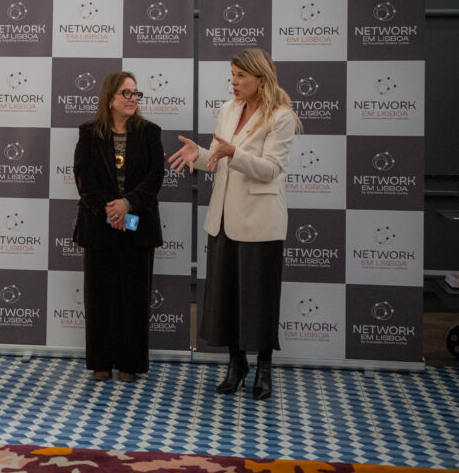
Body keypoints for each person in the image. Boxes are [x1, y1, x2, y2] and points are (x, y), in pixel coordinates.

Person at [168, 48, 301, 401]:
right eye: (232, 75)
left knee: (259, 298)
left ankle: (264, 368)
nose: (234, 82)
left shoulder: (281, 117)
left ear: (261, 78)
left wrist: (234, 154)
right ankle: (236, 364)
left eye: (240, 75)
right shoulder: (228, 109)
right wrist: (199, 155)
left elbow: (271, 169)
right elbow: (219, 158)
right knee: (226, 295)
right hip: (224, 219)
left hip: (260, 221)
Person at [72, 71, 164, 383]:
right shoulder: (89, 133)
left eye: (136, 93)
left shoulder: (150, 132)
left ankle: (130, 364)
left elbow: (155, 176)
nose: (133, 99)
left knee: (134, 298)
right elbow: (84, 178)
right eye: (127, 93)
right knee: (99, 297)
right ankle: (100, 362)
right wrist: (111, 210)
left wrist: (127, 205)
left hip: (139, 227)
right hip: (99, 227)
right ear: (110, 98)